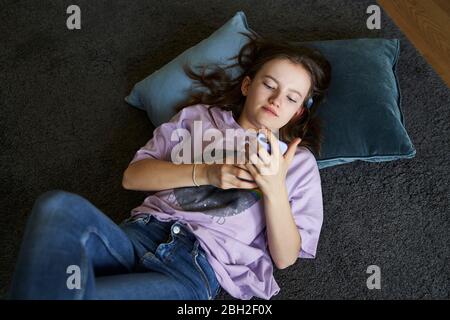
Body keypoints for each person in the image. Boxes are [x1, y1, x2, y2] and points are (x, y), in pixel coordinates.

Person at [9, 31, 331, 300]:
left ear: (299, 112)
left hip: (195, 268)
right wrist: (207, 172)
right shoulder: (198, 118)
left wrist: (274, 189)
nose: (277, 99)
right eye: (269, 84)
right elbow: (132, 177)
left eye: (292, 97)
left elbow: (286, 258)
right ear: (248, 85)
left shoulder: (298, 163)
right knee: (56, 206)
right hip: (138, 235)